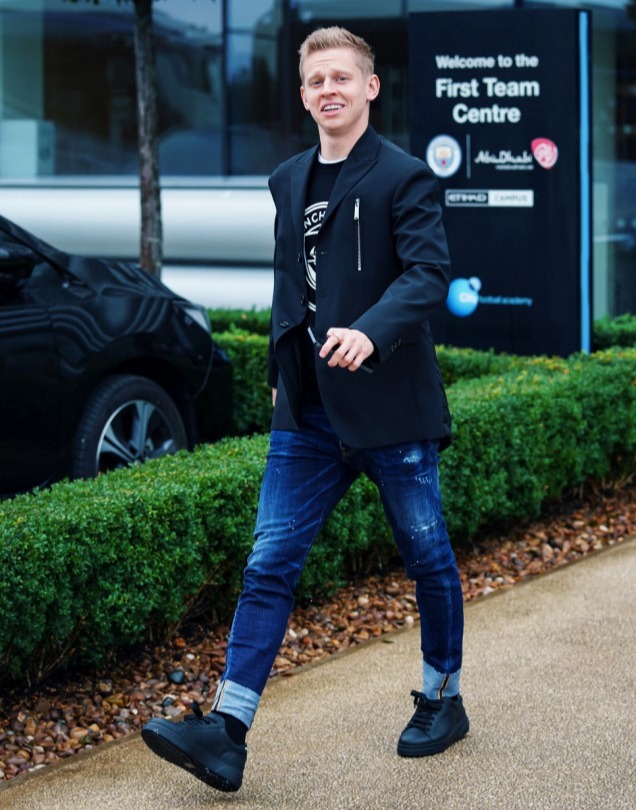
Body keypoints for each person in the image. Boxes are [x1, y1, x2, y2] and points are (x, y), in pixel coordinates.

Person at [141, 25, 468, 793]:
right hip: (309, 418)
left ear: (370, 87)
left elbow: (428, 275)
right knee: (268, 564)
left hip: (392, 410)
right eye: (316, 79)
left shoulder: (405, 177)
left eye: (342, 78)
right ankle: (226, 733)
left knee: (427, 557)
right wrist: (283, 375)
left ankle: (443, 699)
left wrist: (371, 333)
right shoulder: (287, 178)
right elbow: (292, 286)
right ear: (302, 93)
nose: (329, 90)